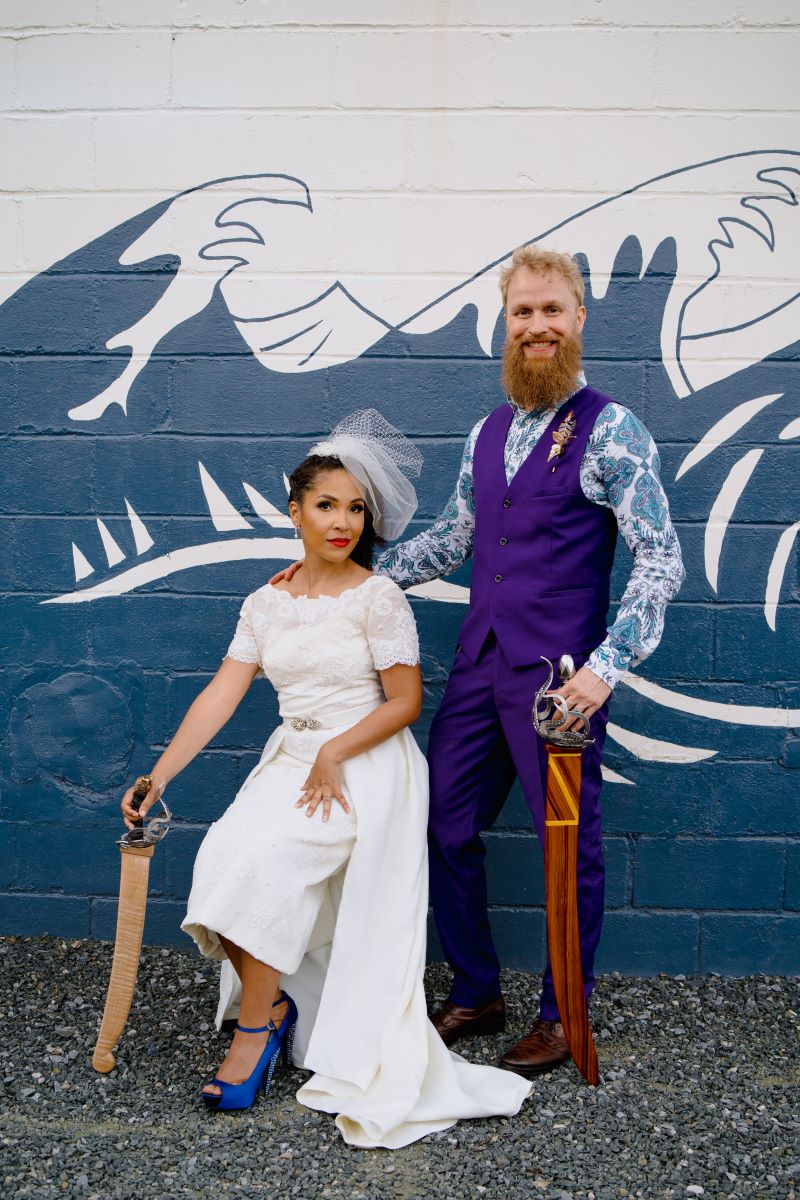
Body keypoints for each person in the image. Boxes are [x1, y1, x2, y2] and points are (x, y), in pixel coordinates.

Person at [121, 409, 530, 1149]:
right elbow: (222, 692)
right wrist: (158, 775)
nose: (342, 521)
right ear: (295, 511)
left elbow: (405, 703)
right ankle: (272, 1009)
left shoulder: (379, 597)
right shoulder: (265, 602)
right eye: (326, 505)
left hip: (363, 763)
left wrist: (337, 752)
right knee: (223, 856)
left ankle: (254, 1032)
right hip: (292, 757)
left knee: (271, 863)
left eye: (355, 507)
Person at [374, 245, 686, 1077]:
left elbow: (660, 558)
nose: (538, 326)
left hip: (560, 689)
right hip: (479, 670)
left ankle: (562, 1014)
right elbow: (453, 540)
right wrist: (355, 581)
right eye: (523, 312)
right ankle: (477, 990)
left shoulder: (612, 428)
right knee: (442, 825)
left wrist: (607, 666)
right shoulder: (487, 432)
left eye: (553, 311)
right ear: (503, 326)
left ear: (578, 320)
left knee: (565, 847)